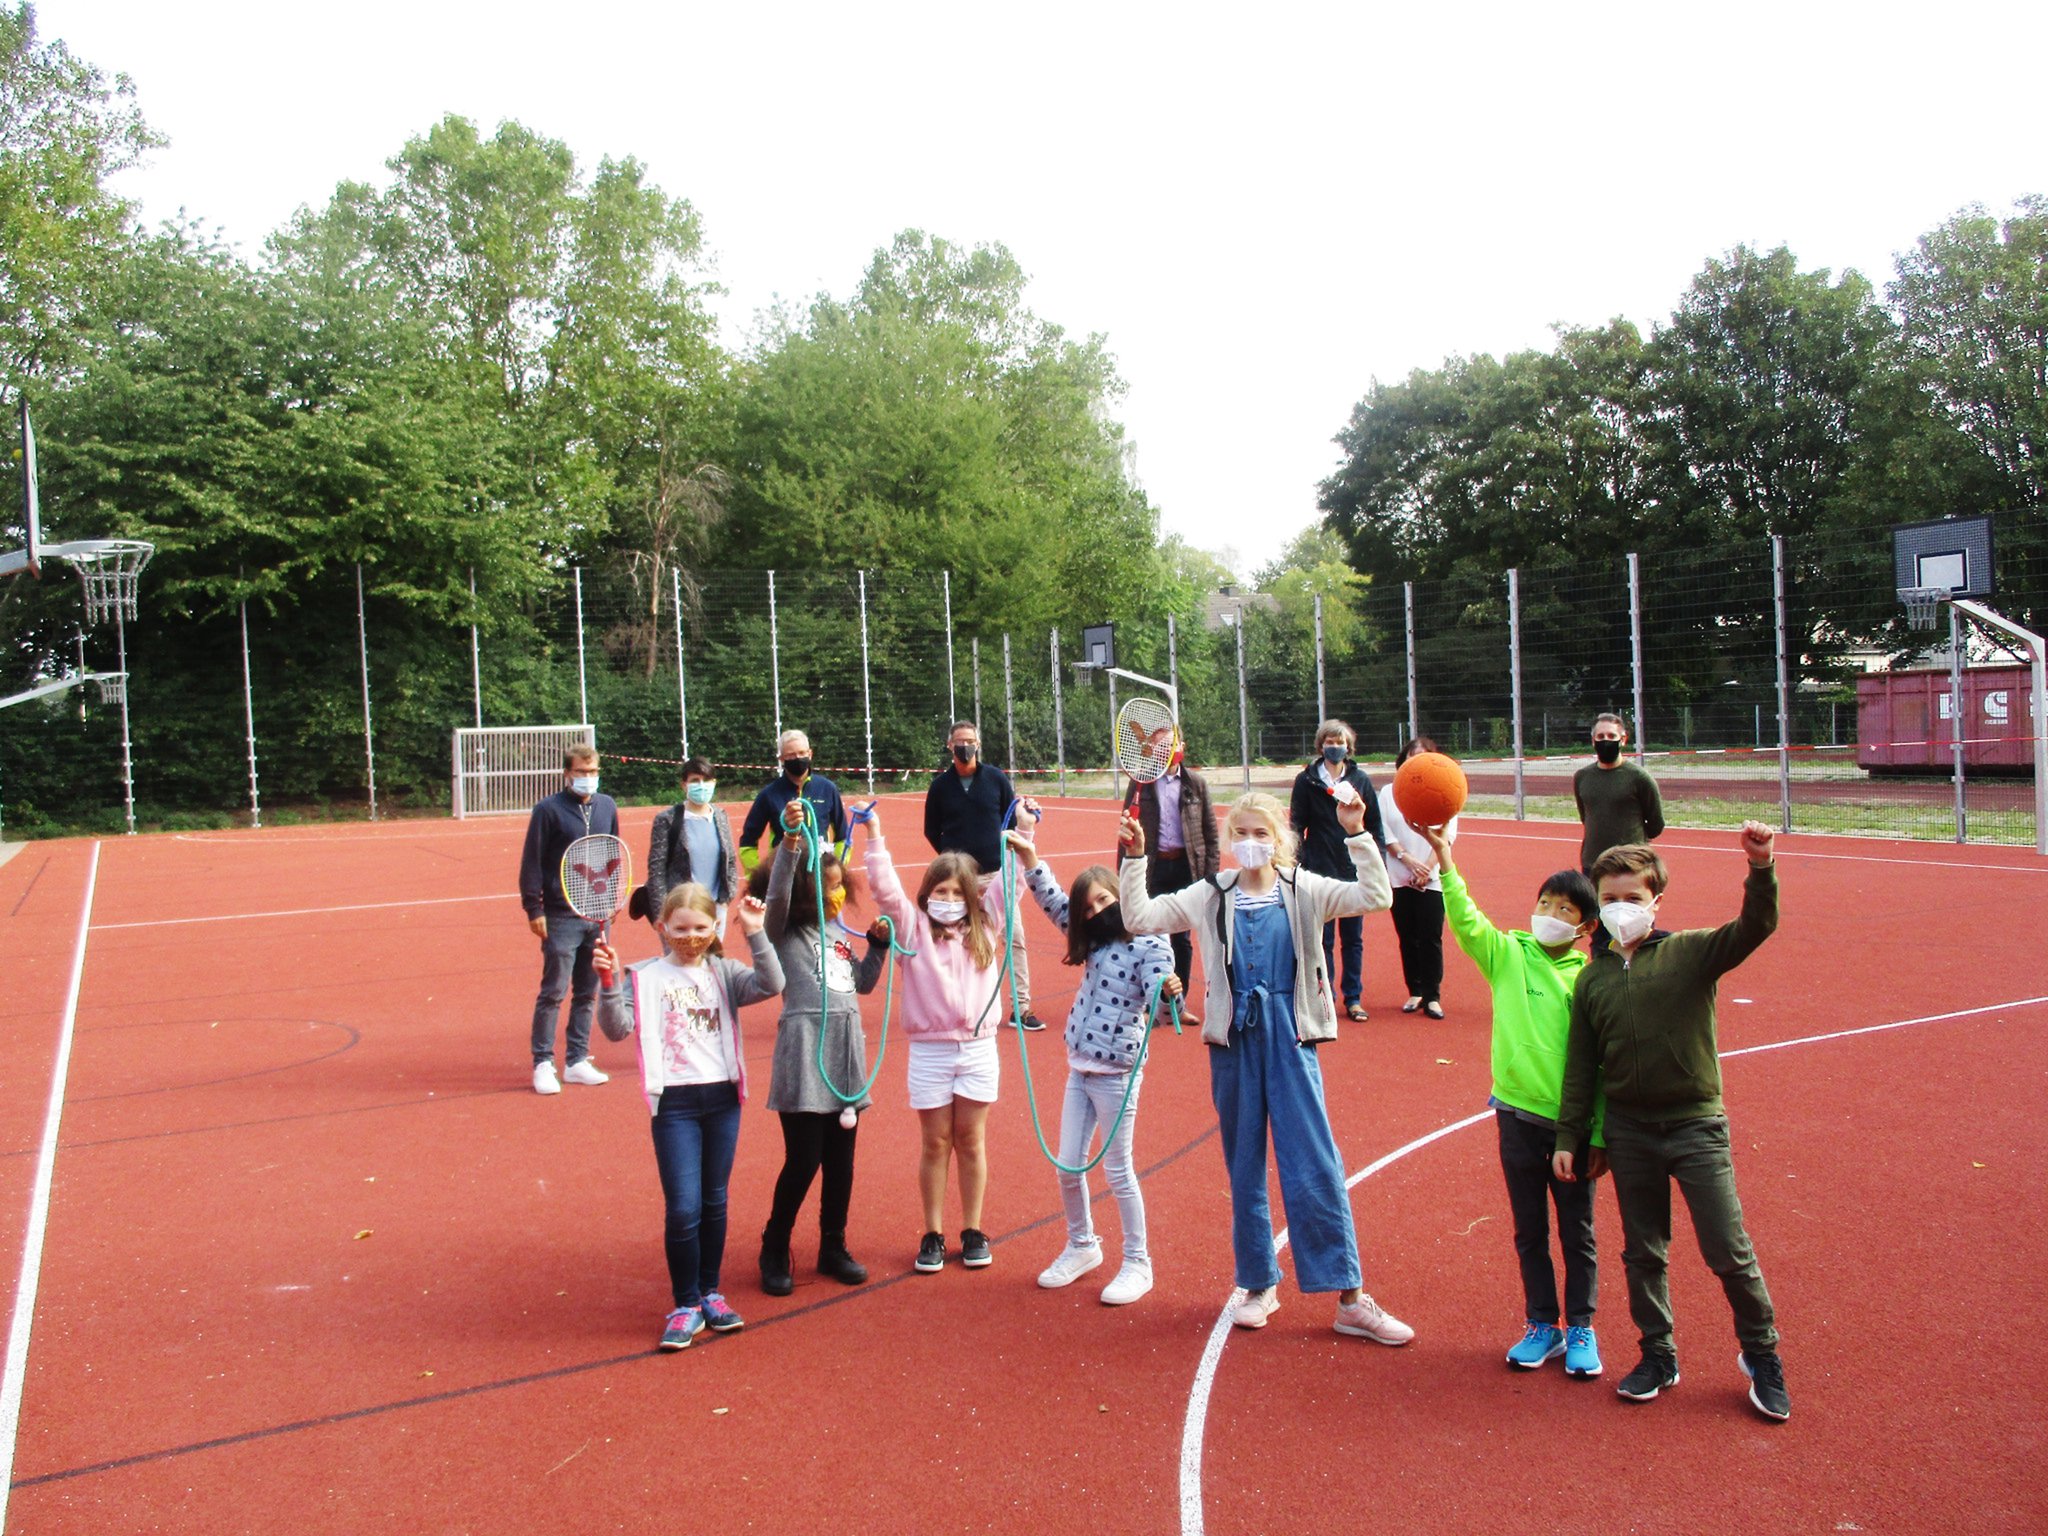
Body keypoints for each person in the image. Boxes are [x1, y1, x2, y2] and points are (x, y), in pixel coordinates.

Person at [1119, 790, 1412, 1345]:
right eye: (1241, 834)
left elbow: (1376, 896)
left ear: (1281, 840)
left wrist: (1357, 832)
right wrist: (1135, 859)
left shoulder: (1306, 889)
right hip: (1233, 1040)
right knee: (1244, 1164)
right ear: (1228, 842)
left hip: (1292, 1034)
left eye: (1262, 834)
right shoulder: (1210, 893)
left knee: (1314, 1161)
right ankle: (1258, 1283)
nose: (1250, 843)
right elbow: (1138, 916)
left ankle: (1349, 1296)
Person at [1552, 823, 1789, 1423]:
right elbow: (1583, 1065)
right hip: (1630, 1132)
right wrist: (1570, 1136)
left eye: (1633, 898)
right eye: (1609, 898)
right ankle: (1658, 1354)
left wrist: (1760, 868)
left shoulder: (1690, 952)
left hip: (1695, 1126)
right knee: (1643, 1251)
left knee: (1727, 1249)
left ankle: (1761, 1355)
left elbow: (1755, 927)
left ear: (1657, 901)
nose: (1620, 908)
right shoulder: (1593, 978)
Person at [1421, 823, 1604, 1379]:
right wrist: (1447, 865)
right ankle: (1542, 1324)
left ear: (1586, 926)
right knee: (1530, 1230)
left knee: (1578, 1232)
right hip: (1516, 1119)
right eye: (1544, 902)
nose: (1549, 912)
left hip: (1571, 1129)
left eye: (1565, 909)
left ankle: (1582, 1328)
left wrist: (1596, 1135)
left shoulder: (1590, 980)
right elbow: (1468, 922)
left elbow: (1601, 1066)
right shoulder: (1508, 955)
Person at [1007, 833, 1181, 1306]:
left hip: (1117, 1072)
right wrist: (1030, 858)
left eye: (1104, 899)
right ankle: (1083, 1245)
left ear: (1122, 895)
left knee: (1118, 1170)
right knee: (1067, 1165)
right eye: (1088, 907)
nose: (1094, 911)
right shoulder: (1095, 940)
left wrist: (1167, 991)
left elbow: (1157, 991)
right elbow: (1054, 903)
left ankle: (1138, 1261)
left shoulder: (1149, 941)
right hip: (1079, 1066)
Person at [613, 883, 784, 1351]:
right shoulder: (645, 977)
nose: (690, 937)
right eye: (680, 928)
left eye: (700, 928)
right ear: (661, 927)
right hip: (675, 1105)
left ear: (714, 929)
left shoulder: (724, 973)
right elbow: (616, 1027)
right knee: (684, 1207)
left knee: (714, 1201)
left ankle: (711, 1292)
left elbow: (772, 983)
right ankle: (685, 1302)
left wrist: (755, 933)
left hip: (722, 1099)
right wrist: (609, 986)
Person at [862, 796, 1023, 1274]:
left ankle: (972, 1228)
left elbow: (1010, 886)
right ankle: (932, 1232)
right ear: (926, 892)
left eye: (957, 893)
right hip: (930, 1051)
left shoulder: (988, 926)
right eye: (940, 891)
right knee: (935, 1143)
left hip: (977, 1050)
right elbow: (886, 890)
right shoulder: (912, 928)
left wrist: (1025, 832)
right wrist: (874, 833)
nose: (948, 900)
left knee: (971, 1141)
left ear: (972, 897)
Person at [755, 801, 890, 1295]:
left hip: (845, 1055)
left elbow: (863, 985)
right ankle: (775, 1242)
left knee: (841, 1162)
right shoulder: (784, 929)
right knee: (803, 1159)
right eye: (826, 884)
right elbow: (776, 898)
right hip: (806, 1051)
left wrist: (877, 947)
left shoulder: (837, 935)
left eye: (839, 885)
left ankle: (833, 1243)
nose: (834, 892)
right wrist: (791, 845)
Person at [923, 720, 1045, 1031]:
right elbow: (930, 829)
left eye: (971, 740)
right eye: (960, 741)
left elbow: (1009, 818)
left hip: (995, 876)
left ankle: (1023, 1007)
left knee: (1013, 939)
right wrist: (955, 859)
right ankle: (954, 1005)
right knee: (952, 941)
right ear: (950, 746)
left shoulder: (996, 779)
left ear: (978, 743)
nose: (966, 746)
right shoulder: (939, 787)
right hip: (958, 882)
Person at [517, 743, 619, 1095]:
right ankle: (542, 1062)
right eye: (581, 772)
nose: (588, 778)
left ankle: (576, 1060)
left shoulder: (607, 806)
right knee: (553, 992)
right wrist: (534, 908)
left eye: (593, 772)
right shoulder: (547, 810)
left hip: (597, 915)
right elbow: (532, 860)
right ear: (567, 774)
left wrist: (610, 901)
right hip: (561, 916)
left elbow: (612, 852)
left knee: (587, 992)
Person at [1289, 719, 1385, 1022]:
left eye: (1339, 741)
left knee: (1353, 939)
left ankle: (1353, 997)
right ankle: (1325, 994)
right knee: (1322, 938)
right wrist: (1295, 861)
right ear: (1321, 745)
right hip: (1318, 869)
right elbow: (1295, 825)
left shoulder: (1361, 780)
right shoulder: (1306, 780)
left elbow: (1375, 827)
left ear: (1349, 745)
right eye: (1329, 741)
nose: (1334, 746)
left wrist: (1376, 861)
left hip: (1351, 868)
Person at [1128, 745, 1217, 1023]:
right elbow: (1127, 830)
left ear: (1183, 747)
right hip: (1152, 866)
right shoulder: (1141, 782)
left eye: (1173, 743)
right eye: (1161, 745)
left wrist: (1210, 876)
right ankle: (1146, 1003)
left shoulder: (1195, 783)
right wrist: (1126, 872)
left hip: (1186, 867)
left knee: (1182, 939)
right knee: (1146, 935)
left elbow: (1210, 832)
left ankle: (1178, 1004)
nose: (1168, 750)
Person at [1378, 737, 1457, 1018]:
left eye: (1424, 757)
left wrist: (1427, 868)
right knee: (1407, 936)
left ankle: (1433, 996)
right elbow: (1383, 829)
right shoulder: (1389, 793)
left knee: (1430, 936)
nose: (1417, 762)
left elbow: (1448, 836)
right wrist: (1407, 860)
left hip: (1431, 876)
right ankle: (1415, 990)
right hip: (1400, 874)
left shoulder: (1446, 790)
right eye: (1412, 757)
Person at [645, 756, 738, 937]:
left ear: (714, 783)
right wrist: (661, 912)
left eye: (706, 780)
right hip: (680, 912)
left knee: (712, 963)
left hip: (714, 909)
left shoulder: (720, 816)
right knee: (681, 963)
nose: (701, 785)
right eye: (695, 781)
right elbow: (656, 869)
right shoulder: (667, 820)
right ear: (684, 785)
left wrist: (726, 899)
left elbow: (730, 860)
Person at [738, 730, 848, 871]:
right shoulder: (768, 794)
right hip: (783, 873)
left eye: (802, 753)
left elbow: (843, 836)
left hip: (820, 873)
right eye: (791, 755)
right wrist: (757, 877)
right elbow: (748, 842)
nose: (798, 758)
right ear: (781, 759)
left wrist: (837, 868)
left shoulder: (827, 789)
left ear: (810, 754)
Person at [1573, 712, 1665, 877]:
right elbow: (1585, 817)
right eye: (1600, 736)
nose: (1606, 740)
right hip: (1592, 864)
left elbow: (1656, 824)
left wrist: (1633, 845)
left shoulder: (1639, 778)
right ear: (1593, 741)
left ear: (1623, 740)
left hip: (1631, 865)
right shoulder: (1582, 777)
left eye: (1611, 735)